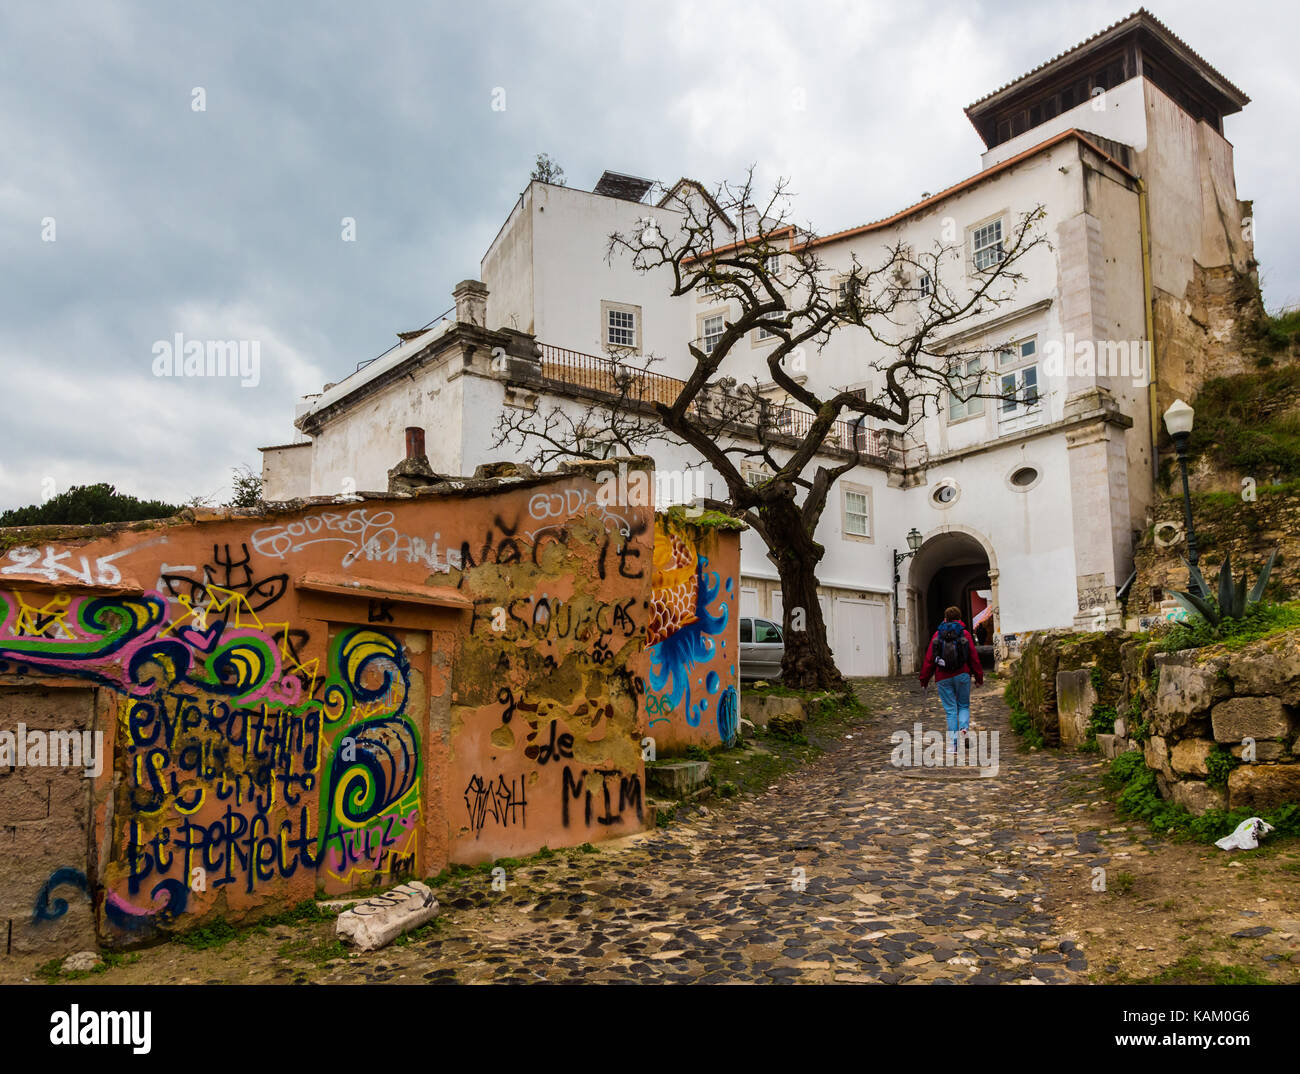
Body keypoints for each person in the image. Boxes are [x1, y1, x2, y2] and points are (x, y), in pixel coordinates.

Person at [918, 605, 984, 756]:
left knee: (950, 711)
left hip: (943, 677)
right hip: (962, 675)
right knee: (964, 705)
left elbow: (929, 659)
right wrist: (978, 677)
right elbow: (973, 657)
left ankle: (953, 746)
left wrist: (924, 679)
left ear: (945, 618)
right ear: (960, 619)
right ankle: (964, 728)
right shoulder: (965, 634)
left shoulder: (937, 635)